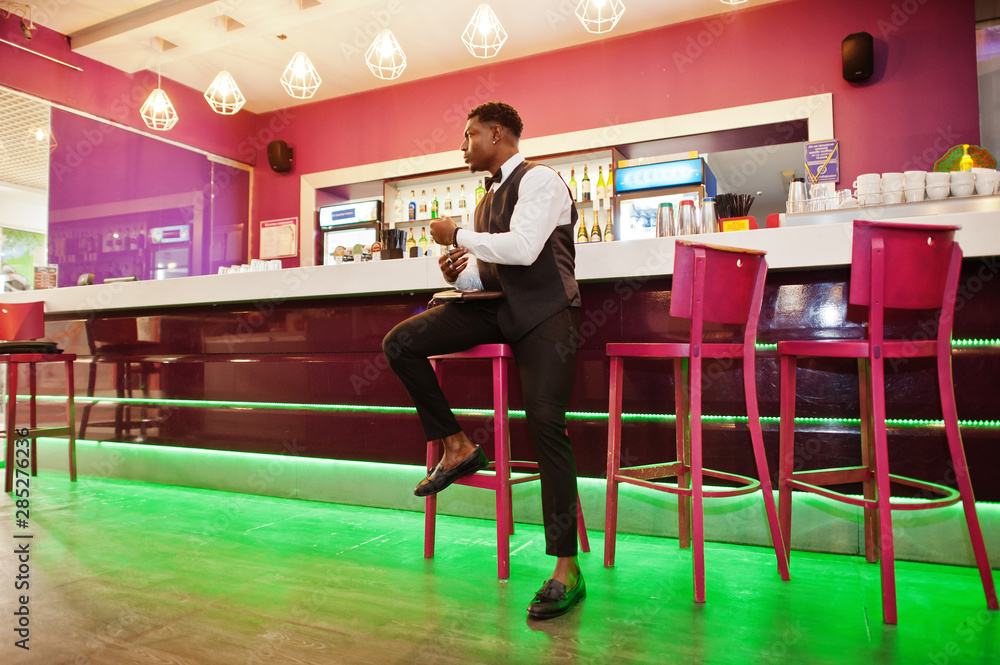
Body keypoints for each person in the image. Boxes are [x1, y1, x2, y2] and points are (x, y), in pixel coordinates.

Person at [382, 101, 584, 620]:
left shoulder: (542, 181)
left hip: (546, 314)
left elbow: (521, 250)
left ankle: (567, 568)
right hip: (500, 311)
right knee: (399, 343)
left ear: (497, 134)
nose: (463, 144)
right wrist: (459, 273)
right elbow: (489, 274)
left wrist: (458, 238)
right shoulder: (485, 201)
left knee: (545, 424)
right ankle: (456, 446)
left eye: (469, 135)